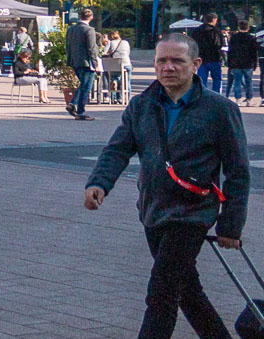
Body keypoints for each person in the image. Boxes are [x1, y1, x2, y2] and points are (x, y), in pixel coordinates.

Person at [86, 33, 249, 339]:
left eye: (177, 61)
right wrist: (99, 183)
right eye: (162, 60)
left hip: (192, 214)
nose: (168, 67)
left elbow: (238, 171)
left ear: (196, 64)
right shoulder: (142, 105)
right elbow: (118, 149)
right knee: (187, 292)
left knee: (161, 293)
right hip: (153, 211)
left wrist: (231, 224)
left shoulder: (219, 110)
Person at [66, 7, 101, 120]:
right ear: (91, 18)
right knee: (86, 87)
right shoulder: (89, 30)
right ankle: (79, 110)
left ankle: (75, 106)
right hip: (86, 62)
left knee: (83, 85)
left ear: (79, 16)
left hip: (74, 61)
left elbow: (68, 46)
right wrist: (96, 64)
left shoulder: (71, 29)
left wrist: (70, 60)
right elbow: (91, 48)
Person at [227, 21, 259, 106]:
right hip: (248, 63)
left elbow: (230, 51)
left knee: (237, 81)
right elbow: (254, 52)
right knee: (249, 81)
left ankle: (238, 100)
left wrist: (230, 64)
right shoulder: (251, 38)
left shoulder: (234, 38)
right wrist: (255, 63)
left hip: (236, 63)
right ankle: (249, 100)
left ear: (238, 27)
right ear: (248, 28)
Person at [193, 13, 225, 94]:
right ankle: (216, 95)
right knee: (217, 79)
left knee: (202, 80)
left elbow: (192, 44)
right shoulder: (216, 31)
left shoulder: (196, 31)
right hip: (214, 58)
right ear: (214, 20)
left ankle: (202, 95)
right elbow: (219, 45)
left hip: (201, 59)